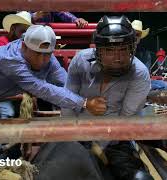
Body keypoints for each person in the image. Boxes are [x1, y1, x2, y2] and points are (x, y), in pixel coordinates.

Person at [0, 25, 106, 159]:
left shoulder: (46, 59)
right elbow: (41, 88)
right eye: (38, 54)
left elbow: (65, 82)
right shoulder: (10, 59)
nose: (43, 60)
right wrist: (84, 103)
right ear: (23, 46)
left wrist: (88, 100)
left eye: (47, 55)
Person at [62, 15, 152, 180]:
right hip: (76, 134)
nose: (117, 57)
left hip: (114, 141)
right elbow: (67, 103)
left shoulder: (139, 74)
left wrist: (98, 145)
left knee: (140, 178)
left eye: (123, 49)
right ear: (98, 49)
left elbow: (124, 121)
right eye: (110, 50)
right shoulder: (80, 61)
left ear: (132, 48)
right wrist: (72, 137)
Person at [0, 11, 32, 118]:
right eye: (23, 31)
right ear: (13, 29)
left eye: (27, 31)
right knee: (6, 114)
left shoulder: (25, 45)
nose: (25, 34)